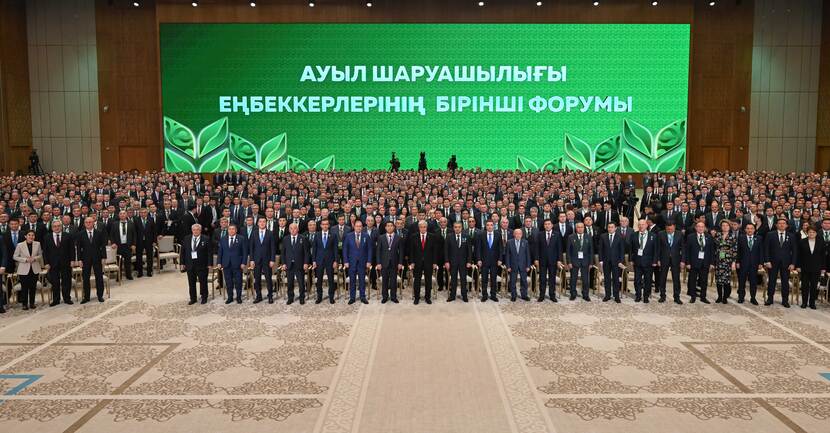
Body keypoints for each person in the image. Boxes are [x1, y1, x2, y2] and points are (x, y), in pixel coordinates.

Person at [764, 218, 797, 307]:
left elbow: (794, 251)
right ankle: (770, 299)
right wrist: (767, 261)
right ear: (776, 225)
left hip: (786, 263)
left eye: (783, 223)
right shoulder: (770, 234)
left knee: (785, 282)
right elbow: (766, 249)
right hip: (772, 262)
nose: (782, 225)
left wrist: (793, 263)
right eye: (780, 223)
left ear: (786, 225)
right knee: (772, 281)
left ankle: (785, 300)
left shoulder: (791, 236)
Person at [406, 220, 440, 304]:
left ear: (426, 227)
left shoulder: (432, 236)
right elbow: (412, 251)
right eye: (421, 227)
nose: (423, 228)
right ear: (419, 228)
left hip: (429, 262)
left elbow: (435, 251)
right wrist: (412, 262)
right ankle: (416, 297)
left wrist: (435, 262)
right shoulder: (414, 236)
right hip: (417, 262)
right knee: (417, 280)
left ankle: (427, 297)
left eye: (424, 227)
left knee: (428, 280)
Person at [42, 220, 73, 306]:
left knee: (66, 281)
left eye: (58, 226)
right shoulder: (47, 237)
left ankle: (67, 298)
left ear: (61, 226)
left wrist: (72, 260)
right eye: (55, 226)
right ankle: (56, 299)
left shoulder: (68, 236)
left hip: (66, 262)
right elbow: (45, 252)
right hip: (52, 264)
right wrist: (46, 263)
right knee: (55, 282)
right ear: (52, 228)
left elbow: (71, 250)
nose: (57, 228)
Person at [180, 224, 211, 305]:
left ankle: (204, 297)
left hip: (202, 265)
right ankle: (193, 298)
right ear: (192, 230)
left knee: (203, 282)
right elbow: (182, 251)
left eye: (197, 229)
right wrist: (182, 263)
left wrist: (209, 264)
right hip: (190, 264)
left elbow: (209, 253)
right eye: (194, 230)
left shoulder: (206, 238)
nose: (196, 231)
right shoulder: (187, 238)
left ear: (200, 230)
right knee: (191, 282)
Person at [77, 217, 106, 303]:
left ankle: (100, 295)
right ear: (84, 224)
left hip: (97, 258)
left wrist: (104, 257)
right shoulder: (80, 234)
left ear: (93, 223)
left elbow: (103, 246)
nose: (88, 223)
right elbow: (78, 248)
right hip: (85, 259)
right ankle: (86, 297)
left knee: (99, 277)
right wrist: (79, 259)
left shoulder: (99, 233)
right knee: (85, 278)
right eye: (86, 222)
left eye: (90, 222)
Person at [343, 220, 372, 304]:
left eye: (360, 226)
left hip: (363, 262)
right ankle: (352, 297)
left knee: (362, 280)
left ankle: (362, 297)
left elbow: (370, 249)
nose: (358, 227)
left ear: (362, 227)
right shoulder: (348, 236)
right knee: (352, 280)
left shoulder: (366, 236)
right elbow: (345, 249)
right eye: (357, 226)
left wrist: (369, 261)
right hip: (351, 262)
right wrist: (345, 261)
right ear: (354, 227)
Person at [281, 223, 310, 305]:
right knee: (290, 283)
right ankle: (290, 297)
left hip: (300, 264)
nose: (293, 230)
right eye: (291, 228)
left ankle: (302, 298)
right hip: (289, 265)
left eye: (295, 228)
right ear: (289, 230)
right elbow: (283, 253)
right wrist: (283, 263)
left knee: (301, 283)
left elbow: (306, 252)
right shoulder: (285, 239)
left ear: (297, 229)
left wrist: (306, 263)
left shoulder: (303, 238)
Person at [629, 219, 658, 303]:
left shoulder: (653, 236)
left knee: (648, 280)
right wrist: (631, 259)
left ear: (646, 225)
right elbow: (631, 249)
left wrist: (655, 261)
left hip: (649, 262)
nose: (641, 226)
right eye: (639, 225)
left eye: (643, 224)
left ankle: (646, 296)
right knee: (637, 280)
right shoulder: (633, 235)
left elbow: (656, 250)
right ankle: (638, 295)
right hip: (637, 262)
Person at [685, 221, 714, 303]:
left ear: (704, 228)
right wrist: (688, 263)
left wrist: (712, 263)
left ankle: (703, 297)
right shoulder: (690, 237)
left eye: (702, 227)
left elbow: (712, 251)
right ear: (696, 228)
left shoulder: (709, 237)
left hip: (705, 263)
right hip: (693, 262)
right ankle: (693, 297)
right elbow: (687, 251)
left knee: (704, 281)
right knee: (692, 280)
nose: (700, 228)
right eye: (699, 226)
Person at [796, 226, 825, 309]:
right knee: (805, 286)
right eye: (810, 232)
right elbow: (799, 255)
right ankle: (804, 303)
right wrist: (798, 266)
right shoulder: (802, 242)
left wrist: (823, 268)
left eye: (813, 232)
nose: (811, 234)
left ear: (816, 233)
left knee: (814, 286)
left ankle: (812, 303)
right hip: (804, 267)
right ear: (807, 233)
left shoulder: (821, 242)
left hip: (816, 267)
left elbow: (823, 256)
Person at [217, 224, 247, 304]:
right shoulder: (223, 239)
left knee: (238, 282)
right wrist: (219, 262)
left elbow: (245, 252)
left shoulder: (241, 238)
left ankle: (238, 297)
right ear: (228, 230)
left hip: (238, 264)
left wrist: (244, 262)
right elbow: (220, 252)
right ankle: (230, 297)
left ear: (236, 230)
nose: (231, 230)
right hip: (226, 264)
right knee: (228, 282)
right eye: (229, 229)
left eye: (233, 229)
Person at [249, 217, 276, 304]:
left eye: (264, 222)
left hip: (267, 260)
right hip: (256, 260)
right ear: (257, 223)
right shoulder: (254, 233)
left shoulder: (270, 233)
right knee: (257, 279)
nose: (262, 223)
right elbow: (251, 248)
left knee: (268, 278)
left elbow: (273, 248)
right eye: (260, 222)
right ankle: (259, 296)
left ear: (266, 223)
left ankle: (270, 296)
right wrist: (252, 260)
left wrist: (272, 259)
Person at [656, 221, 684, 304]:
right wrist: (657, 259)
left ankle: (676, 297)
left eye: (671, 229)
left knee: (676, 279)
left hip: (676, 260)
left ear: (674, 227)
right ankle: (662, 296)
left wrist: (683, 260)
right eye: (668, 229)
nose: (669, 230)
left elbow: (683, 248)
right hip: (663, 259)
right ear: (665, 228)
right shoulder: (661, 234)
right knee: (662, 278)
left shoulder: (680, 234)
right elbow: (658, 248)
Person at [376, 220, 404, 303]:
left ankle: (393, 296)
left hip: (394, 263)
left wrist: (400, 263)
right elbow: (378, 251)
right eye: (388, 226)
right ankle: (385, 296)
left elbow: (401, 251)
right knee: (384, 280)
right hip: (384, 263)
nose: (389, 227)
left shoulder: (398, 237)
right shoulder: (381, 237)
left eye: (391, 226)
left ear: (394, 227)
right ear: (385, 227)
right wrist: (378, 263)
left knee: (393, 281)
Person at [13, 230, 41, 310]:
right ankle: (24, 304)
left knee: (33, 287)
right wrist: (25, 260)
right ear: (25, 236)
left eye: (33, 235)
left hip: (34, 268)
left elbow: (40, 255)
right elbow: (15, 256)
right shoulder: (20, 245)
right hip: (23, 269)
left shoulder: (37, 244)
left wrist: (34, 258)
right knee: (24, 288)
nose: (31, 237)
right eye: (29, 235)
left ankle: (32, 303)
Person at [535, 219, 562, 302]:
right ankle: (542, 295)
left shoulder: (557, 234)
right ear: (544, 226)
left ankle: (552, 295)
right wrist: (536, 259)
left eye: (549, 224)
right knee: (542, 279)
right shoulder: (540, 234)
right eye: (545, 224)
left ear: (552, 225)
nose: (547, 225)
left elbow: (559, 248)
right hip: (542, 260)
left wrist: (559, 260)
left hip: (553, 261)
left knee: (552, 279)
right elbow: (537, 248)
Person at [313, 219, 338, 304]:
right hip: (319, 260)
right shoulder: (317, 235)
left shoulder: (333, 235)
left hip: (330, 261)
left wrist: (335, 261)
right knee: (319, 280)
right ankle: (319, 297)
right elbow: (314, 249)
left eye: (326, 224)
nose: (325, 226)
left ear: (328, 225)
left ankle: (331, 297)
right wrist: (314, 261)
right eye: (323, 224)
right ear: (320, 225)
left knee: (331, 279)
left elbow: (335, 249)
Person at [736, 222, 763, 305]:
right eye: (748, 228)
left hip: (754, 264)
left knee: (753, 282)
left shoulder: (759, 238)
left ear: (754, 230)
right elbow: (738, 251)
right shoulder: (741, 238)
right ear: (745, 230)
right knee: (741, 281)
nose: (749, 230)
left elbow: (761, 251)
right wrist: (737, 261)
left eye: (751, 228)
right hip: (743, 263)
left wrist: (761, 262)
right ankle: (741, 297)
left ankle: (753, 298)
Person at [599, 221, 625, 303]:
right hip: (606, 261)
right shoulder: (603, 236)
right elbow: (600, 249)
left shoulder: (620, 237)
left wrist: (621, 261)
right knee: (607, 279)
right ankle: (607, 295)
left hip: (616, 262)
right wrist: (601, 260)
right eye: (609, 227)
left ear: (615, 228)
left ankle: (616, 296)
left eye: (612, 227)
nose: (610, 229)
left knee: (616, 279)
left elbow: (622, 251)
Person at [567, 222, 592, 301]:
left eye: (582, 227)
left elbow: (591, 251)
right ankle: (573, 294)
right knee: (573, 279)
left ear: (584, 228)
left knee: (585, 279)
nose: (580, 229)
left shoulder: (588, 237)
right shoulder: (571, 237)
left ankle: (585, 294)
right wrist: (569, 262)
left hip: (585, 261)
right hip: (574, 261)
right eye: (578, 227)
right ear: (576, 228)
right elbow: (568, 251)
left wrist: (591, 263)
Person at [713, 220, 737, 304]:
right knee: (718, 280)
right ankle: (719, 296)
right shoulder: (718, 235)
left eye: (726, 225)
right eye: (723, 225)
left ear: (729, 226)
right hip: (718, 261)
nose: (725, 227)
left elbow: (734, 250)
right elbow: (714, 248)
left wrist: (734, 262)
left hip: (728, 261)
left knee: (726, 280)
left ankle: (725, 297)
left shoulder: (732, 236)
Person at [505, 228, 531, 302]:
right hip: (513, 265)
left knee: (524, 281)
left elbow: (528, 255)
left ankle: (524, 295)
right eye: (516, 233)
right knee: (513, 281)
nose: (518, 235)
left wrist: (528, 265)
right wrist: (508, 266)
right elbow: (507, 255)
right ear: (513, 234)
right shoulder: (509, 242)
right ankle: (513, 295)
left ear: (522, 235)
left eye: (519, 233)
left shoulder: (525, 242)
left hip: (523, 265)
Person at [109, 210, 136, 280]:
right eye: (121, 214)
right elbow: (111, 235)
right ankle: (119, 276)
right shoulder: (115, 224)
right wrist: (113, 243)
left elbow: (134, 235)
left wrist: (133, 244)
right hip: (118, 245)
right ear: (119, 215)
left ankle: (128, 275)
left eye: (124, 214)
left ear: (126, 215)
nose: (122, 215)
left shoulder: (131, 223)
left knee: (128, 262)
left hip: (128, 245)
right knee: (119, 262)